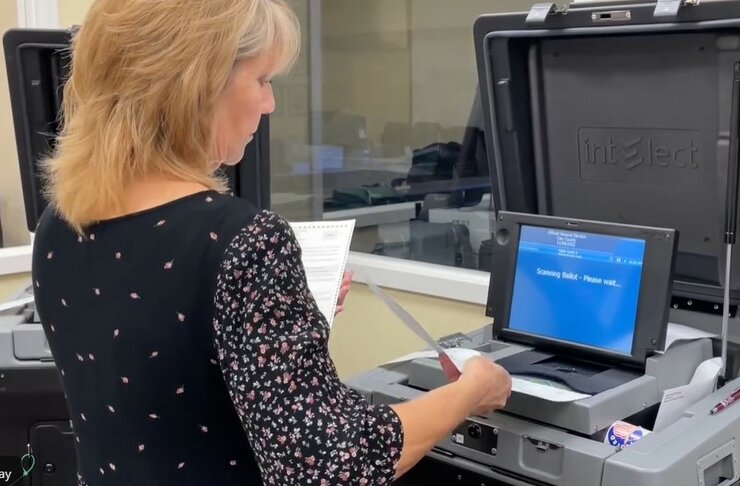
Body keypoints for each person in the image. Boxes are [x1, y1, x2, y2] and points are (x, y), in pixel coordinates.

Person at [30, 0, 512, 484]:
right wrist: (470, 391)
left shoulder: (59, 223)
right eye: (262, 80)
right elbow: (332, 467)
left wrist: (280, 325)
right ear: (196, 85)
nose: (270, 103)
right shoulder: (242, 241)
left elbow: (152, 374)